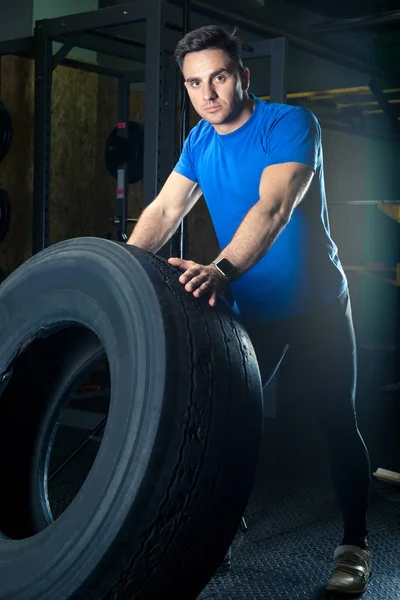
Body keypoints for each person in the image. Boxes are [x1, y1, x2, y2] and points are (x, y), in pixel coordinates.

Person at [127, 25, 372, 595]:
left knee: (337, 422)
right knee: (227, 427)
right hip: (249, 314)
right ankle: (219, 530)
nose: (207, 93)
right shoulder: (199, 141)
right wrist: (119, 273)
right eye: (194, 83)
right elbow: (165, 210)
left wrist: (219, 271)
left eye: (218, 76)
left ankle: (355, 544)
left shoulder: (289, 124)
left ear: (242, 75)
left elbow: (274, 207)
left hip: (315, 306)